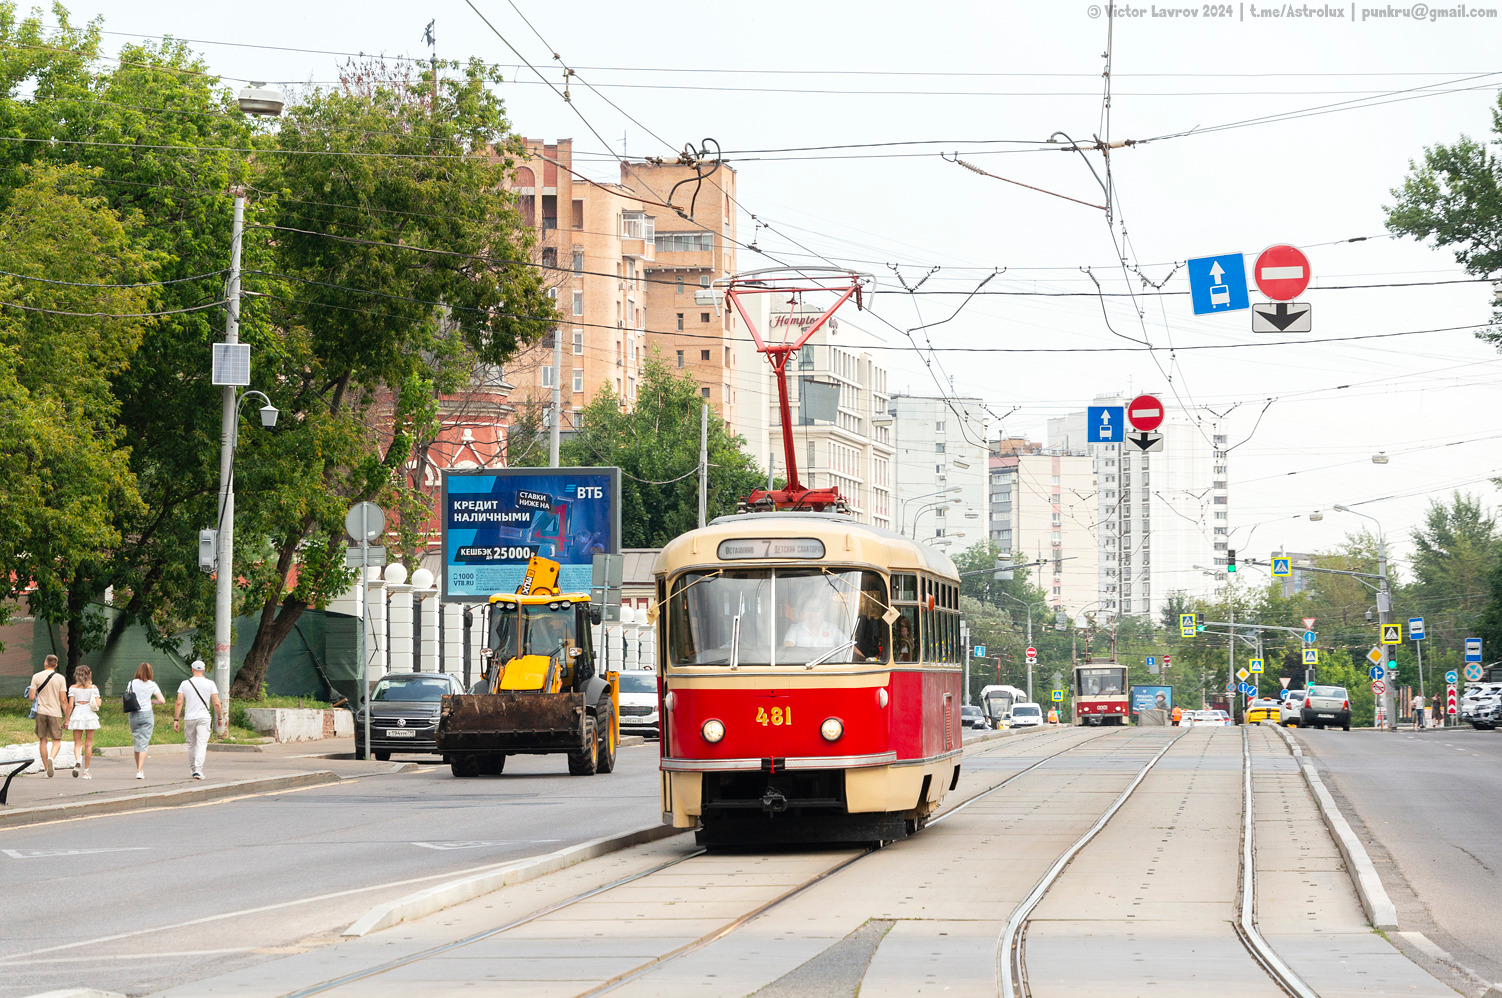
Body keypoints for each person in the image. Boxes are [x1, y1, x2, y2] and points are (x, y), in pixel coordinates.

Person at [174, 660, 225, 780]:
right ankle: (198, 770)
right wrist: (219, 717)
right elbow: (217, 703)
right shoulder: (210, 683)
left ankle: (193, 770)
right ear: (203, 670)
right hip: (204, 717)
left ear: (192, 669)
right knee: (202, 744)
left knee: (191, 744)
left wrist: (176, 719)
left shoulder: (184, 684)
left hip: (189, 718)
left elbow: (179, 702)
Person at [25, 654, 68, 777]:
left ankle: (45, 769)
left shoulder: (36, 677)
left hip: (41, 712)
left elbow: (32, 697)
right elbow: (63, 699)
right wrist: (67, 718)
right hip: (55, 713)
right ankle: (52, 758)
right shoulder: (60, 678)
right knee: (57, 740)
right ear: (56, 665)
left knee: (43, 740)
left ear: (45, 663)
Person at [127, 663, 166, 779]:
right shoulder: (152, 685)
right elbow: (162, 701)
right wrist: (152, 701)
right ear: (150, 673)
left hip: (133, 713)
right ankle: (140, 770)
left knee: (137, 741)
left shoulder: (131, 683)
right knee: (144, 743)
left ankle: (138, 768)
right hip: (147, 714)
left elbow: (128, 696)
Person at [65, 665, 102, 779]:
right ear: (89, 675)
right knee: (88, 743)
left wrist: (67, 719)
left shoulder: (72, 688)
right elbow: (98, 704)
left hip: (78, 713)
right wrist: (99, 700)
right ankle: (86, 771)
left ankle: (77, 761)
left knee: (77, 742)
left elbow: (70, 705)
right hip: (89, 714)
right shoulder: (93, 688)